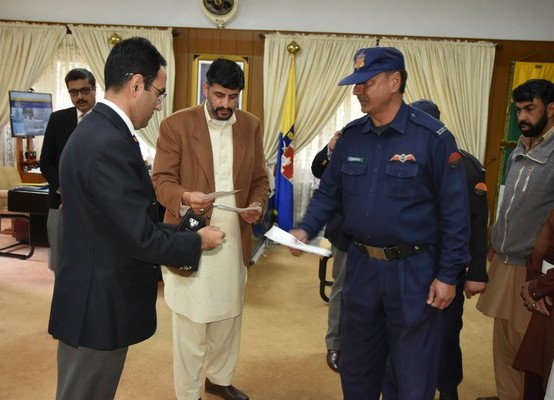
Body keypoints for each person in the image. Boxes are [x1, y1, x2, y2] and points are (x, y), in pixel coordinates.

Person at [48, 37, 225, 400]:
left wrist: (181, 223)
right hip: (97, 307)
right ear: (136, 84)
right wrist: (196, 241)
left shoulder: (97, 130)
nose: (159, 105)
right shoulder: (109, 142)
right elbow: (138, 237)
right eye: (159, 94)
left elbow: (120, 219)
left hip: (93, 295)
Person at [289, 47, 471, 400]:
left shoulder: (432, 138)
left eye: (367, 83)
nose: (358, 91)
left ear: (394, 81)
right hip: (361, 267)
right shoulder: (352, 136)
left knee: (412, 372)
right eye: (356, 84)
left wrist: (449, 274)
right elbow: (329, 193)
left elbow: (455, 212)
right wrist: (305, 228)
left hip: (413, 270)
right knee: (357, 366)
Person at [152, 58, 269, 400]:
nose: (226, 104)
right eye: (219, 95)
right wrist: (186, 197)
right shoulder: (176, 125)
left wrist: (257, 205)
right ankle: (188, 394)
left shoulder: (250, 125)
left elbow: (260, 179)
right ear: (205, 88)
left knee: (228, 318)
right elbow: (161, 181)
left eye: (233, 97)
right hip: (191, 237)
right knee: (191, 323)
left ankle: (219, 378)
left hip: (234, 240)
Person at [476, 78, 554, 400]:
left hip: (532, 268)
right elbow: (510, 202)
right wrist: (495, 239)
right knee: (504, 340)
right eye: (518, 109)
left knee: (527, 348)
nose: (522, 116)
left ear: (551, 109)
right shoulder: (520, 148)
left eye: (529, 109)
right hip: (504, 259)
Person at [410, 99, 489, 400]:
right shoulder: (402, 159)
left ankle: (448, 388)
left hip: (447, 267)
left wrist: (477, 271)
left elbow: (478, 223)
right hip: (408, 266)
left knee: (445, 334)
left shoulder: (464, 165)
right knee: (407, 332)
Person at [39, 68, 96, 273]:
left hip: (97, 206)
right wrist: (65, 191)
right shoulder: (57, 120)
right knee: (61, 264)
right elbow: (46, 162)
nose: (80, 97)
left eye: (84, 90)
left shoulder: (107, 120)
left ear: (94, 89)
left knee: (93, 264)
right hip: (60, 203)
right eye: (74, 92)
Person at [311, 129, 351, 373]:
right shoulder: (350, 141)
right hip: (345, 231)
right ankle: (335, 344)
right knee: (342, 288)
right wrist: (331, 148)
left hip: (381, 234)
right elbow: (318, 170)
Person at [513, 208, 554, 399]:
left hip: (546, 290)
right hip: (545, 296)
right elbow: (540, 247)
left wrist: (539, 288)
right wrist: (535, 285)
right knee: (535, 371)